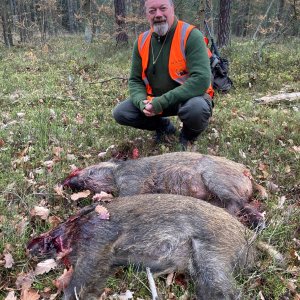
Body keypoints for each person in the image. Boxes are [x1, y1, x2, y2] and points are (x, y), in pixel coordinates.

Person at [113, 0, 214, 150]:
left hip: (188, 98)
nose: (158, 14)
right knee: (121, 113)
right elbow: (135, 80)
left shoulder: (191, 35)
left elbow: (201, 80)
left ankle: (187, 135)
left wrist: (161, 102)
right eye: (152, 11)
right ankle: (164, 126)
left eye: (163, 8)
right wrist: (142, 103)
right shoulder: (141, 41)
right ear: (146, 14)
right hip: (155, 101)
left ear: (172, 9)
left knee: (196, 109)